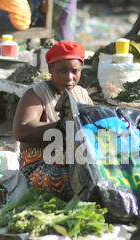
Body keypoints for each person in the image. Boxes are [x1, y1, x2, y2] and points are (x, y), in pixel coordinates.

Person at [13, 41, 93, 201]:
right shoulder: (36, 94)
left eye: (74, 71)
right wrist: (64, 125)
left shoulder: (81, 94)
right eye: (62, 71)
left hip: (74, 157)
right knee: (66, 180)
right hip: (40, 161)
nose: (69, 77)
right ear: (50, 69)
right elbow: (22, 130)